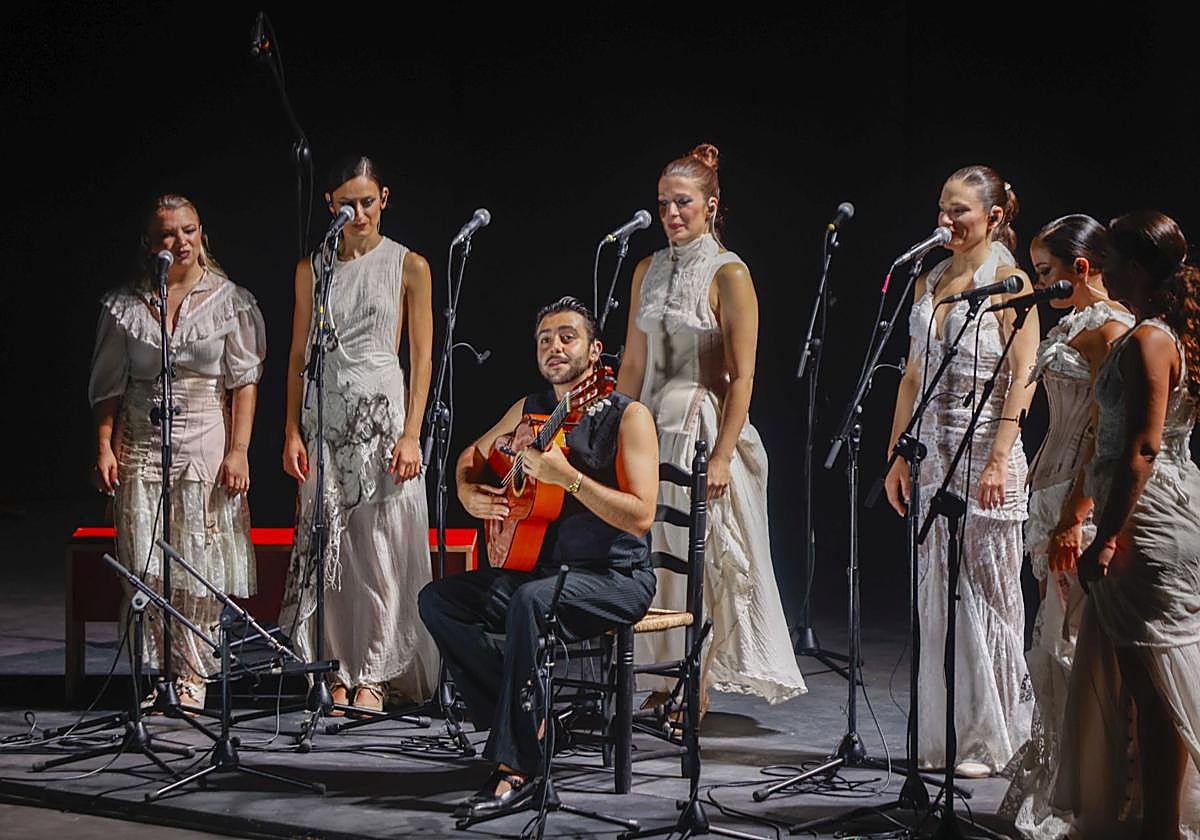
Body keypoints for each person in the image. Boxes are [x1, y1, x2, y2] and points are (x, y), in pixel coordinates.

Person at [419, 296, 659, 817]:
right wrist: (467, 491)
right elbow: (470, 458)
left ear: (595, 352)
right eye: (544, 338)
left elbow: (641, 516)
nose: (554, 346)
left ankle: (519, 767)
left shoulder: (628, 415)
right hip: (544, 575)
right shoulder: (531, 411)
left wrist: (567, 479)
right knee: (439, 600)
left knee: (529, 600)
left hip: (616, 576)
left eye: (567, 336)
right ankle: (532, 720)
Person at [616, 143, 806, 714]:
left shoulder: (729, 273)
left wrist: (722, 455)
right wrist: (608, 430)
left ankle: (691, 685)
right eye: (663, 203)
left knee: (696, 559)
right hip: (646, 422)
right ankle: (657, 681)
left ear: (711, 205)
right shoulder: (646, 268)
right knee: (648, 554)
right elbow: (631, 362)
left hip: (697, 424)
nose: (672, 213)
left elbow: (742, 375)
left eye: (683, 203)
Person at [883, 165, 1038, 776]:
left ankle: (992, 737)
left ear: (995, 216)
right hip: (934, 455)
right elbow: (914, 375)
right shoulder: (931, 278)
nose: (946, 221)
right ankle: (946, 733)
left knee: (986, 593)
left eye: (960, 211)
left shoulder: (1011, 279)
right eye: (942, 209)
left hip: (985, 454)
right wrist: (899, 452)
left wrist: (1000, 458)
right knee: (940, 591)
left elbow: (1021, 375)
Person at [1053, 210, 1200, 838]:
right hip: (1138, 512)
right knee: (1141, 686)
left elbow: (1141, 448)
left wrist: (1106, 536)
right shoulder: (1150, 333)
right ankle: (1148, 818)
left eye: (1111, 257)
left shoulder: (1151, 340)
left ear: (1136, 268)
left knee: (1156, 689)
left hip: (1148, 521)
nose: (1102, 268)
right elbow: (1110, 442)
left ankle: (1160, 827)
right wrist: (1085, 514)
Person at [89, 194, 266, 708]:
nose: (179, 242)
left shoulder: (230, 301)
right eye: (167, 233)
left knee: (196, 564)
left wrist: (240, 450)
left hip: (206, 443)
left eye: (188, 231)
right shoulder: (127, 306)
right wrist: (104, 445)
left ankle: (192, 674)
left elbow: (244, 381)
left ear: (201, 233)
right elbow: (109, 386)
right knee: (147, 565)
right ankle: (161, 673)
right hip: (142, 442)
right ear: (150, 244)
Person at [279, 155, 438, 713]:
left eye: (369, 201)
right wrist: (292, 430)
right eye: (349, 203)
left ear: (384, 199)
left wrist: (412, 433)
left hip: (381, 416)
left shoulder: (408, 265)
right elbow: (298, 355)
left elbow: (422, 359)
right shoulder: (313, 268)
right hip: (326, 415)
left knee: (376, 547)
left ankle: (376, 669)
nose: (361, 212)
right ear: (331, 205)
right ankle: (338, 666)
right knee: (332, 547)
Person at [998, 215, 1133, 837]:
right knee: (1052, 642)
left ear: (1082, 268)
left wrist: (1079, 518)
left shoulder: (1112, 328)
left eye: (1048, 272)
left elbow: (1108, 434)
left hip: (1078, 500)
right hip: (1047, 491)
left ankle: (1089, 795)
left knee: (1069, 643)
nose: (1042, 285)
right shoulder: (1075, 322)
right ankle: (1062, 785)